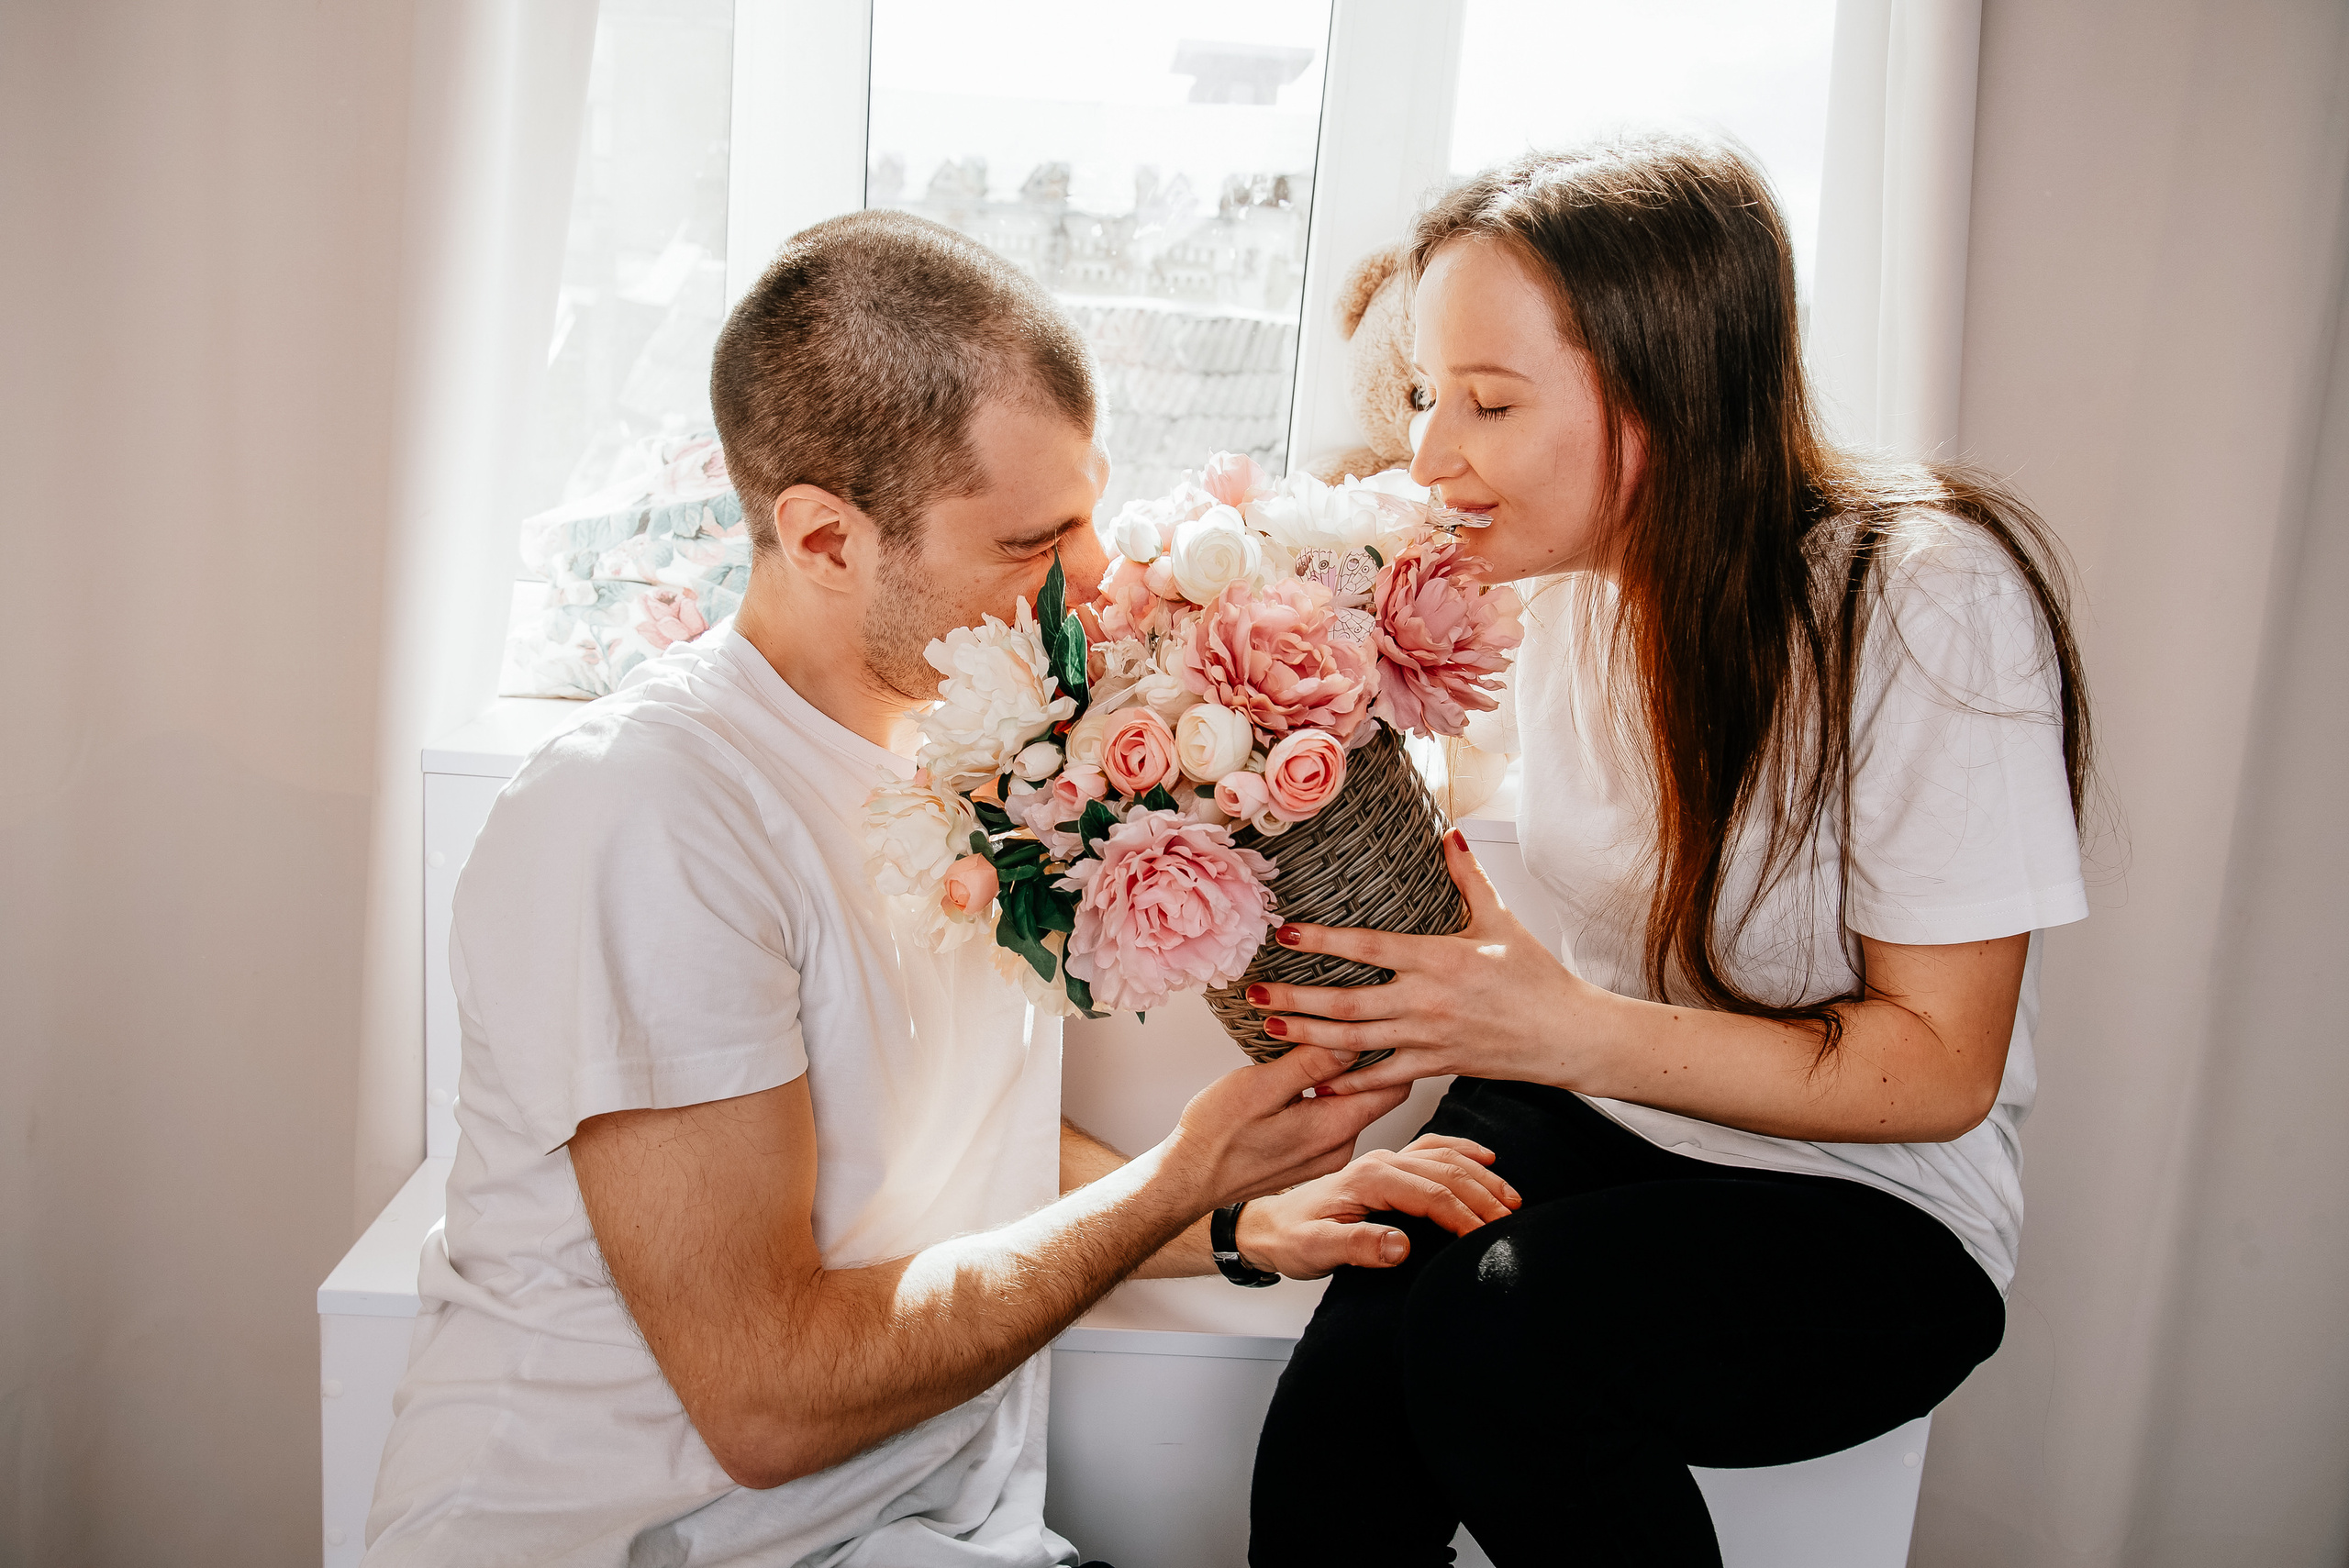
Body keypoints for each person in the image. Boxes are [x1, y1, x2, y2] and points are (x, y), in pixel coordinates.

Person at [362, 209, 1520, 1568]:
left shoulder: (982, 754)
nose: (1096, 578)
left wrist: (1232, 1214)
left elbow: (945, 1154)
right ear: (827, 539)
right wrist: (1172, 1186)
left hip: (922, 1525)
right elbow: (768, 1401)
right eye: (1034, 542)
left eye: (1091, 509)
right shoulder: (646, 814)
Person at [1243, 137, 2093, 1566]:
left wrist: (1559, 1030)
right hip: (1597, 1106)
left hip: (1868, 1197)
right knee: (1343, 1420)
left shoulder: (1921, 598)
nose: (1430, 454)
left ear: (1663, 393)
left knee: (1496, 1336)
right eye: (1422, 396)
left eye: (1489, 403)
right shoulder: (1559, 576)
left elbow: (1940, 1067)